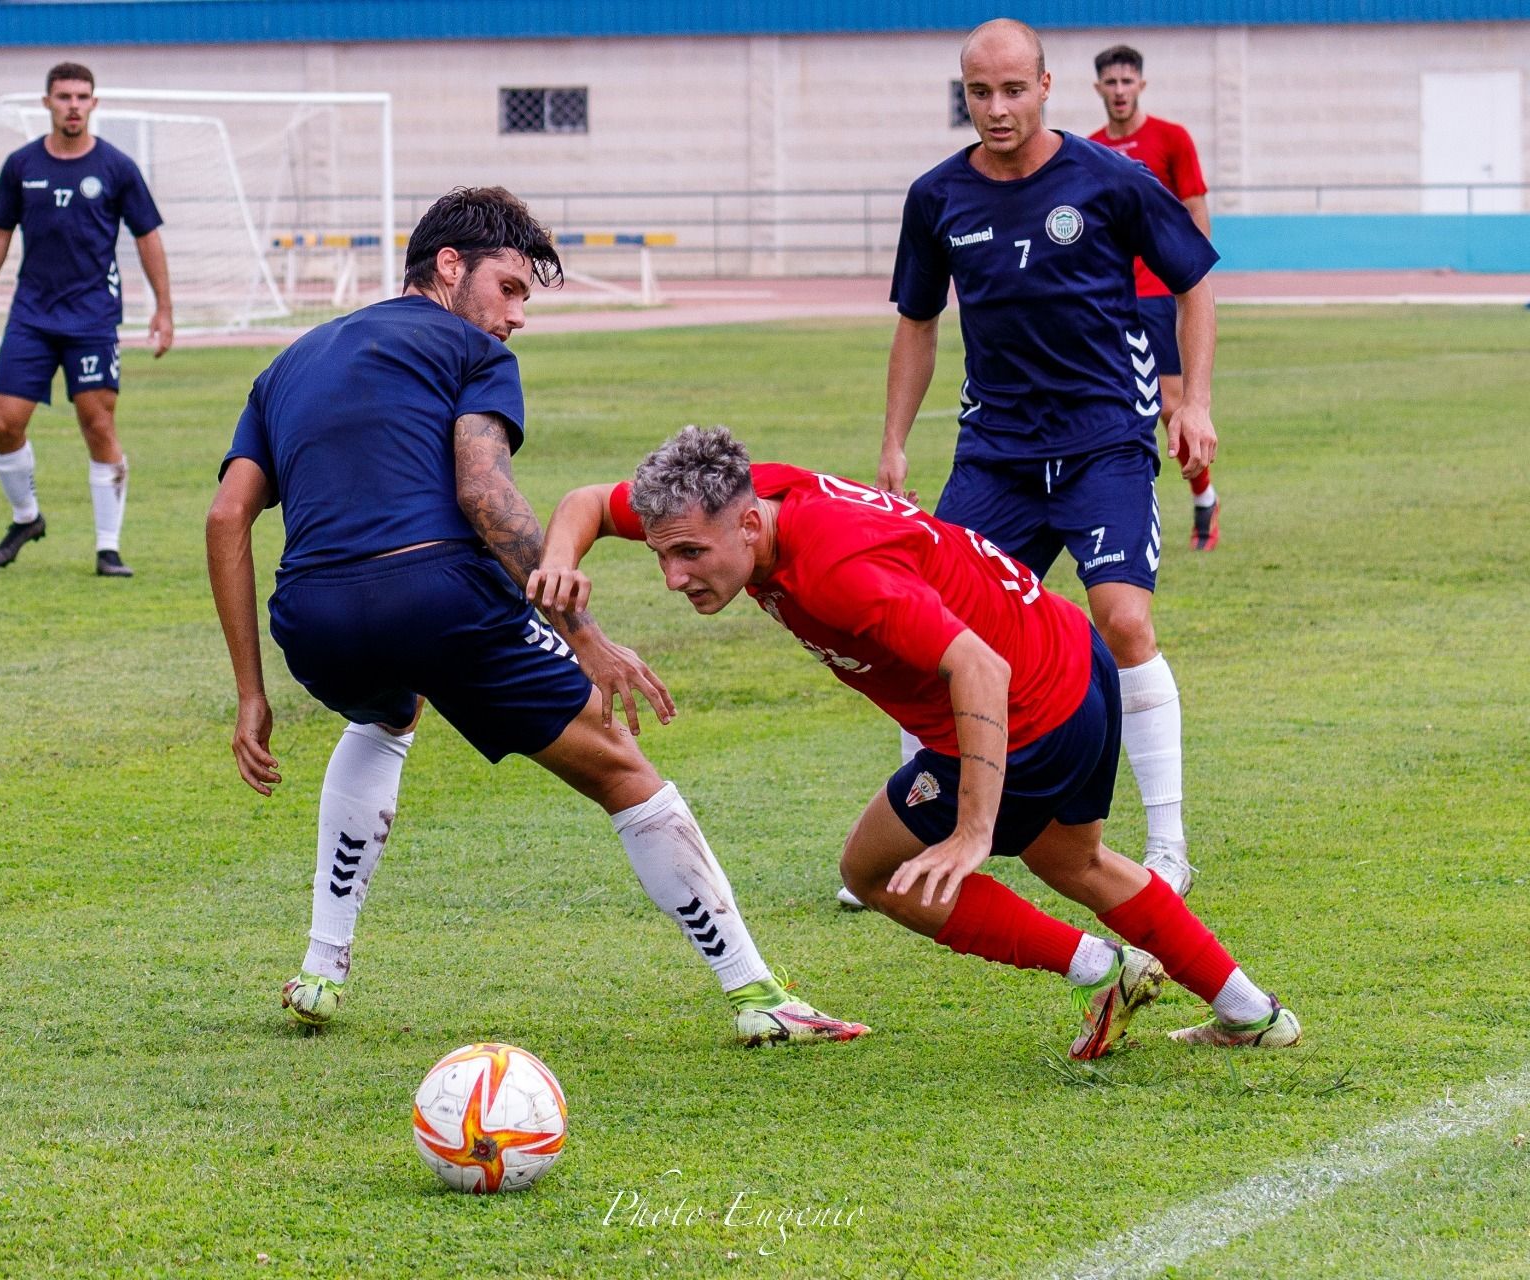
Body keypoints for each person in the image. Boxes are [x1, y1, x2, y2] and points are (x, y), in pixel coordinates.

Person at [205, 187, 865, 1048]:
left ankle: (323, 970)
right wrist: (586, 639)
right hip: (439, 594)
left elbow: (227, 518)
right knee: (621, 767)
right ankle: (759, 995)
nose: (516, 315)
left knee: (386, 710)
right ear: (450, 267)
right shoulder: (468, 347)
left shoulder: (288, 363)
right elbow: (483, 490)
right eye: (510, 288)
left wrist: (251, 693)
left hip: (312, 616)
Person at [532, 426, 1300, 1057]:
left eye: (689, 555)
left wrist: (972, 830)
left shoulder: (836, 569)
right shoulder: (736, 496)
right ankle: (1253, 1013)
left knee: (875, 871)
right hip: (1073, 654)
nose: (672, 576)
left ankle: (1103, 969)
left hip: (1025, 706)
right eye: (661, 554)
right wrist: (562, 572)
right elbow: (588, 503)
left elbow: (977, 667)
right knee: (1078, 862)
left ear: (750, 525)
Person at [878, 19, 1215, 897]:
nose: (996, 109)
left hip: (1104, 441)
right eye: (979, 93)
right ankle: (925, 825)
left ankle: (1169, 846)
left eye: (1013, 90)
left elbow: (1194, 282)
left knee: (1123, 620)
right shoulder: (936, 196)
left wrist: (1198, 402)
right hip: (995, 456)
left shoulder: (1109, 179)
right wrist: (894, 444)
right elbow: (918, 322)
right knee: (928, 635)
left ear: (1046, 85)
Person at [0, 61, 174, 578]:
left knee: (98, 424)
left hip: (92, 317)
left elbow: (147, 236)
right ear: (47, 103)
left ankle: (108, 548)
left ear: (94, 104)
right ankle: (26, 518)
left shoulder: (116, 168)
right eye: (64, 97)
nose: (74, 106)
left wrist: (164, 308)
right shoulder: (20, 165)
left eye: (83, 97)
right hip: (32, 316)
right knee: (3, 422)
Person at [1089, 44, 1219, 551]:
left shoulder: (1171, 138)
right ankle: (1118, 513)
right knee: (1114, 407)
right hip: (1112, 302)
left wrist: (1195, 283)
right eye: (1111, 83)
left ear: (1140, 85)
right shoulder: (1091, 148)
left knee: (1170, 405)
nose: (1120, 91)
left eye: (1128, 82)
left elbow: (1194, 208)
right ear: (1098, 88)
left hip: (1161, 295)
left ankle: (1204, 497)